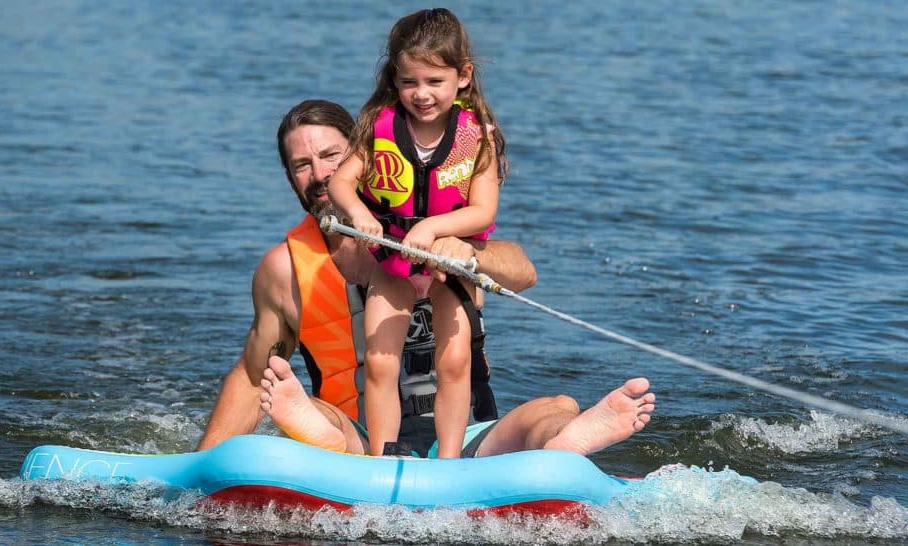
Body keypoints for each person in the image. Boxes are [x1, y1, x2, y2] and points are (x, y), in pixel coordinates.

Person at [198, 98, 655, 460]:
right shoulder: (284, 271)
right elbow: (252, 373)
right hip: (359, 441)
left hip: (471, 437)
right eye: (301, 165)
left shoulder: (436, 225)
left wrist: (469, 253)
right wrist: (198, 468)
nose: (319, 175)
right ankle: (326, 438)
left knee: (557, 407)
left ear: (364, 157)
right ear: (289, 177)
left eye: (330, 156)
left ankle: (563, 443)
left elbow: (524, 272)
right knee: (307, 412)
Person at [328, 8, 505, 458]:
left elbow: (482, 213)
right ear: (394, 79)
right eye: (410, 83)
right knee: (382, 362)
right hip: (392, 262)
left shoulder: (475, 139)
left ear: (463, 77)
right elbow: (341, 182)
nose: (421, 94)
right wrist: (356, 213)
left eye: (434, 82)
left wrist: (432, 227)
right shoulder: (379, 129)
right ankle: (382, 456)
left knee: (454, 361)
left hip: (448, 265)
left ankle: (447, 462)